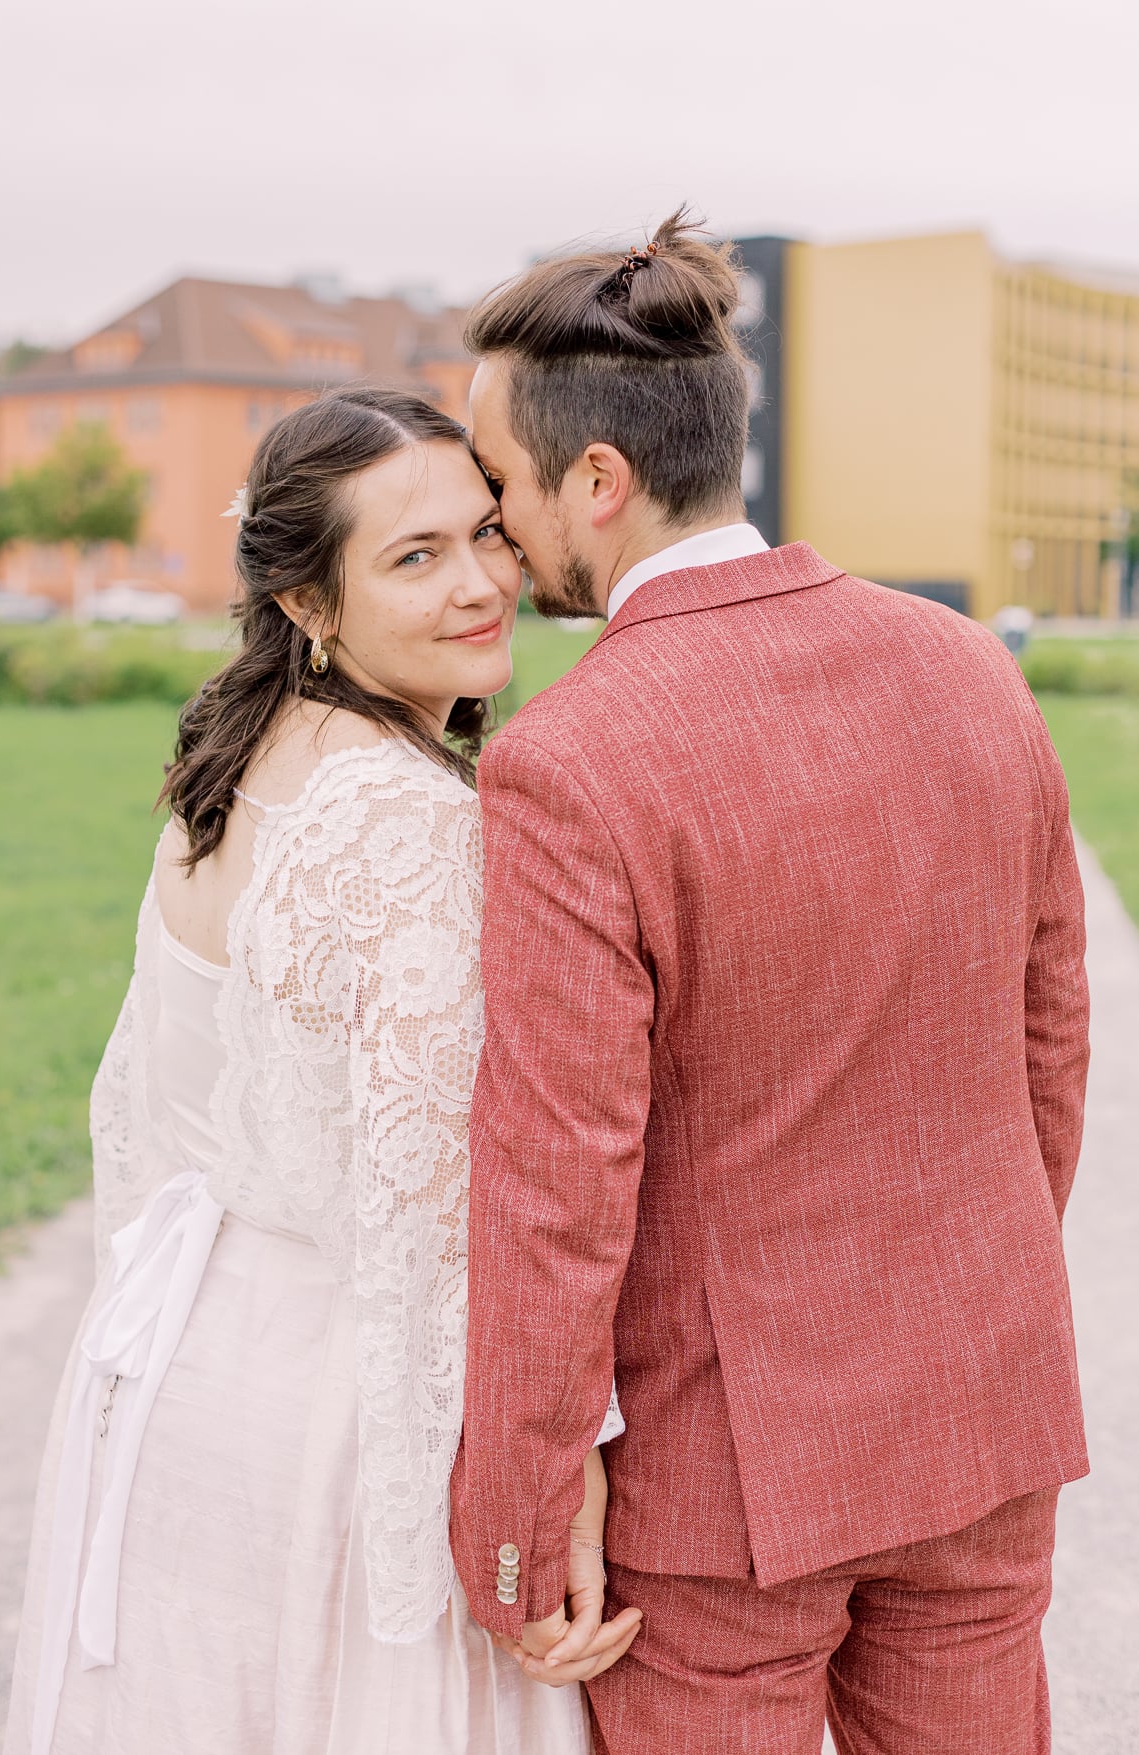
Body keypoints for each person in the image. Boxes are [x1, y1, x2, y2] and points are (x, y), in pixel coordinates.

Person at [449, 211, 1091, 1753]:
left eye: (496, 485)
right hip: (976, 1416)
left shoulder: (567, 764)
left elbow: (558, 1177)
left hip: (720, 1478)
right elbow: (1049, 1035)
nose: (491, 525)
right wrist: (957, 1292)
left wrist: (523, 1517)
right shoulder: (967, 668)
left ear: (593, 481)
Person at [4, 385, 640, 1755]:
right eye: (413, 558)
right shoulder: (409, 821)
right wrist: (558, 1475)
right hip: (337, 1415)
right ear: (308, 603)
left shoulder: (229, 771)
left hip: (191, 1365)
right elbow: (459, 1208)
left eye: (485, 534)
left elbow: (153, 1112)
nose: (480, 585)